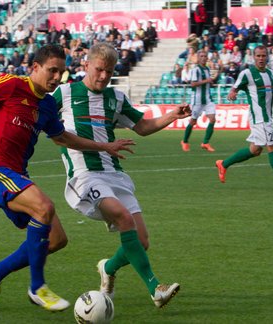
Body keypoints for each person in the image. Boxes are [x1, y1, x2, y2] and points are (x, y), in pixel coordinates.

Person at [0, 44, 135, 313]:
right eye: (52, 71)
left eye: (61, 73)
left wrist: (104, 147)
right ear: (35, 68)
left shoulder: (48, 105)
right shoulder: (11, 84)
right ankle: (37, 287)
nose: (56, 78)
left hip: (16, 175)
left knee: (56, 240)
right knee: (44, 207)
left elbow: (61, 137)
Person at [52, 43, 187, 308]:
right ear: (86, 65)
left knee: (142, 241)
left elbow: (143, 127)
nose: (103, 76)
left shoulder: (116, 98)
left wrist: (172, 115)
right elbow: (39, 118)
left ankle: (108, 268)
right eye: (99, 69)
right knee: (125, 219)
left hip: (114, 173)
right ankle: (155, 288)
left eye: (109, 72)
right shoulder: (64, 93)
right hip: (84, 176)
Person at [217, 46, 273, 192]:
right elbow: (235, 88)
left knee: (255, 150)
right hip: (259, 118)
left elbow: (272, 91)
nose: (261, 58)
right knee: (272, 147)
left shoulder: (270, 73)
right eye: (258, 56)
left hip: (267, 117)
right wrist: (232, 93)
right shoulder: (247, 74)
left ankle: (223, 164)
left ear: (267, 57)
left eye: (263, 56)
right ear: (254, 57)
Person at [181, 50, 219, 153]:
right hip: (197, 100)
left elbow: (207, 83)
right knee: (193, 122)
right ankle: (184, 141)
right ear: (198, 58)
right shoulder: (195, 70)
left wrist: (211, 81)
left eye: (205, 56)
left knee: (212, 119)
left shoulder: (207, 69)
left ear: (207, 58)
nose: (203, 58)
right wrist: (207, 81)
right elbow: (193, 84)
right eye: (201, 56)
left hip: (207, 99)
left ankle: (205, 143)